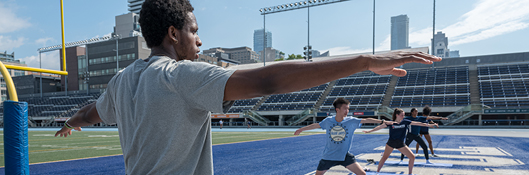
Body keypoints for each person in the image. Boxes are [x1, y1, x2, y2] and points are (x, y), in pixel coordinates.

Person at [54, 0, 441, 174]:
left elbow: (93, 112)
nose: (199, 42)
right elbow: (267, 79)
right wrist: (361, 61)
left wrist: (72, 121)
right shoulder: (180, 75)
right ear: (174, 34)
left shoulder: (123, 80)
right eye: (194, 31)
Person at [294, 98, 396, 175]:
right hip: (329, 156)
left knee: (362, 174)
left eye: (348, 108)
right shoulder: (328, 121)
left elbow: (367, 120)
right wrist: (301, 129)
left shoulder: (351, 120)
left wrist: (383, 121)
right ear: (337, 109)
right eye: (345, 108)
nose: (347, 111)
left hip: (344, 156)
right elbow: (316, 125)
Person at [363, 108, 437, 175]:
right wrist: (369, 131)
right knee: (384, 158)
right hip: (391, 143)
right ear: (397, 115)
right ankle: (377, 172)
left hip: (400, 144)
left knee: (412, 157)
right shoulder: (391, 122)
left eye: (404, 115)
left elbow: (417, 123)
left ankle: (410, 173)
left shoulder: (405, 121)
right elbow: (379, 127)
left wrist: (428, 125)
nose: (403, 117)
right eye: (402, 115)